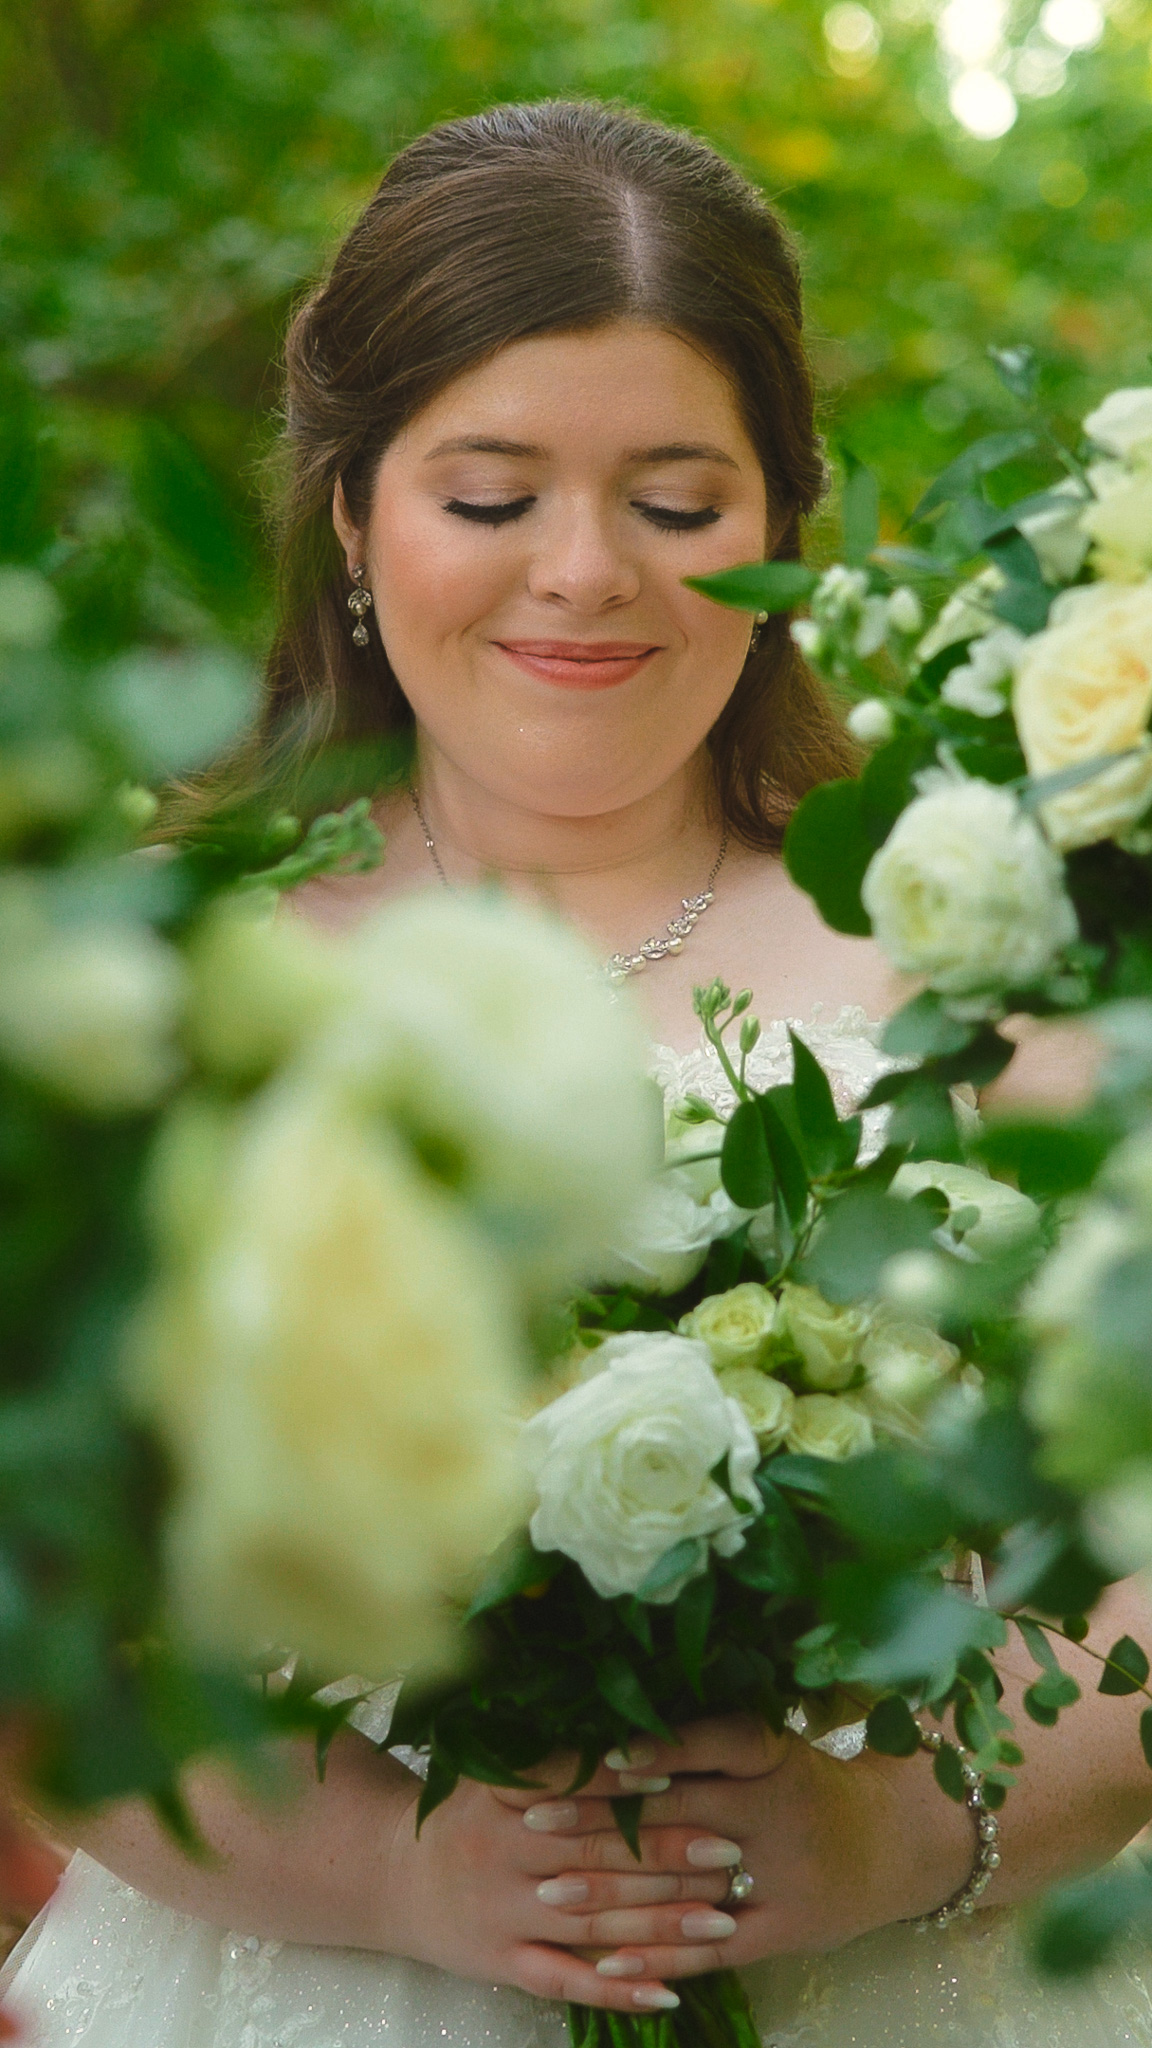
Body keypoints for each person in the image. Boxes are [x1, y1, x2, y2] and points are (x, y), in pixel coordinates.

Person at [5, 100, 1152, 2048]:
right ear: (355, 513)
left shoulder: (1001, 962)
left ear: (788, 516)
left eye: (677, 498)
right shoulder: (138, 980)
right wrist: (386, 1862)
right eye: (493, 491)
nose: (584, 572)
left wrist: (898, 1831)